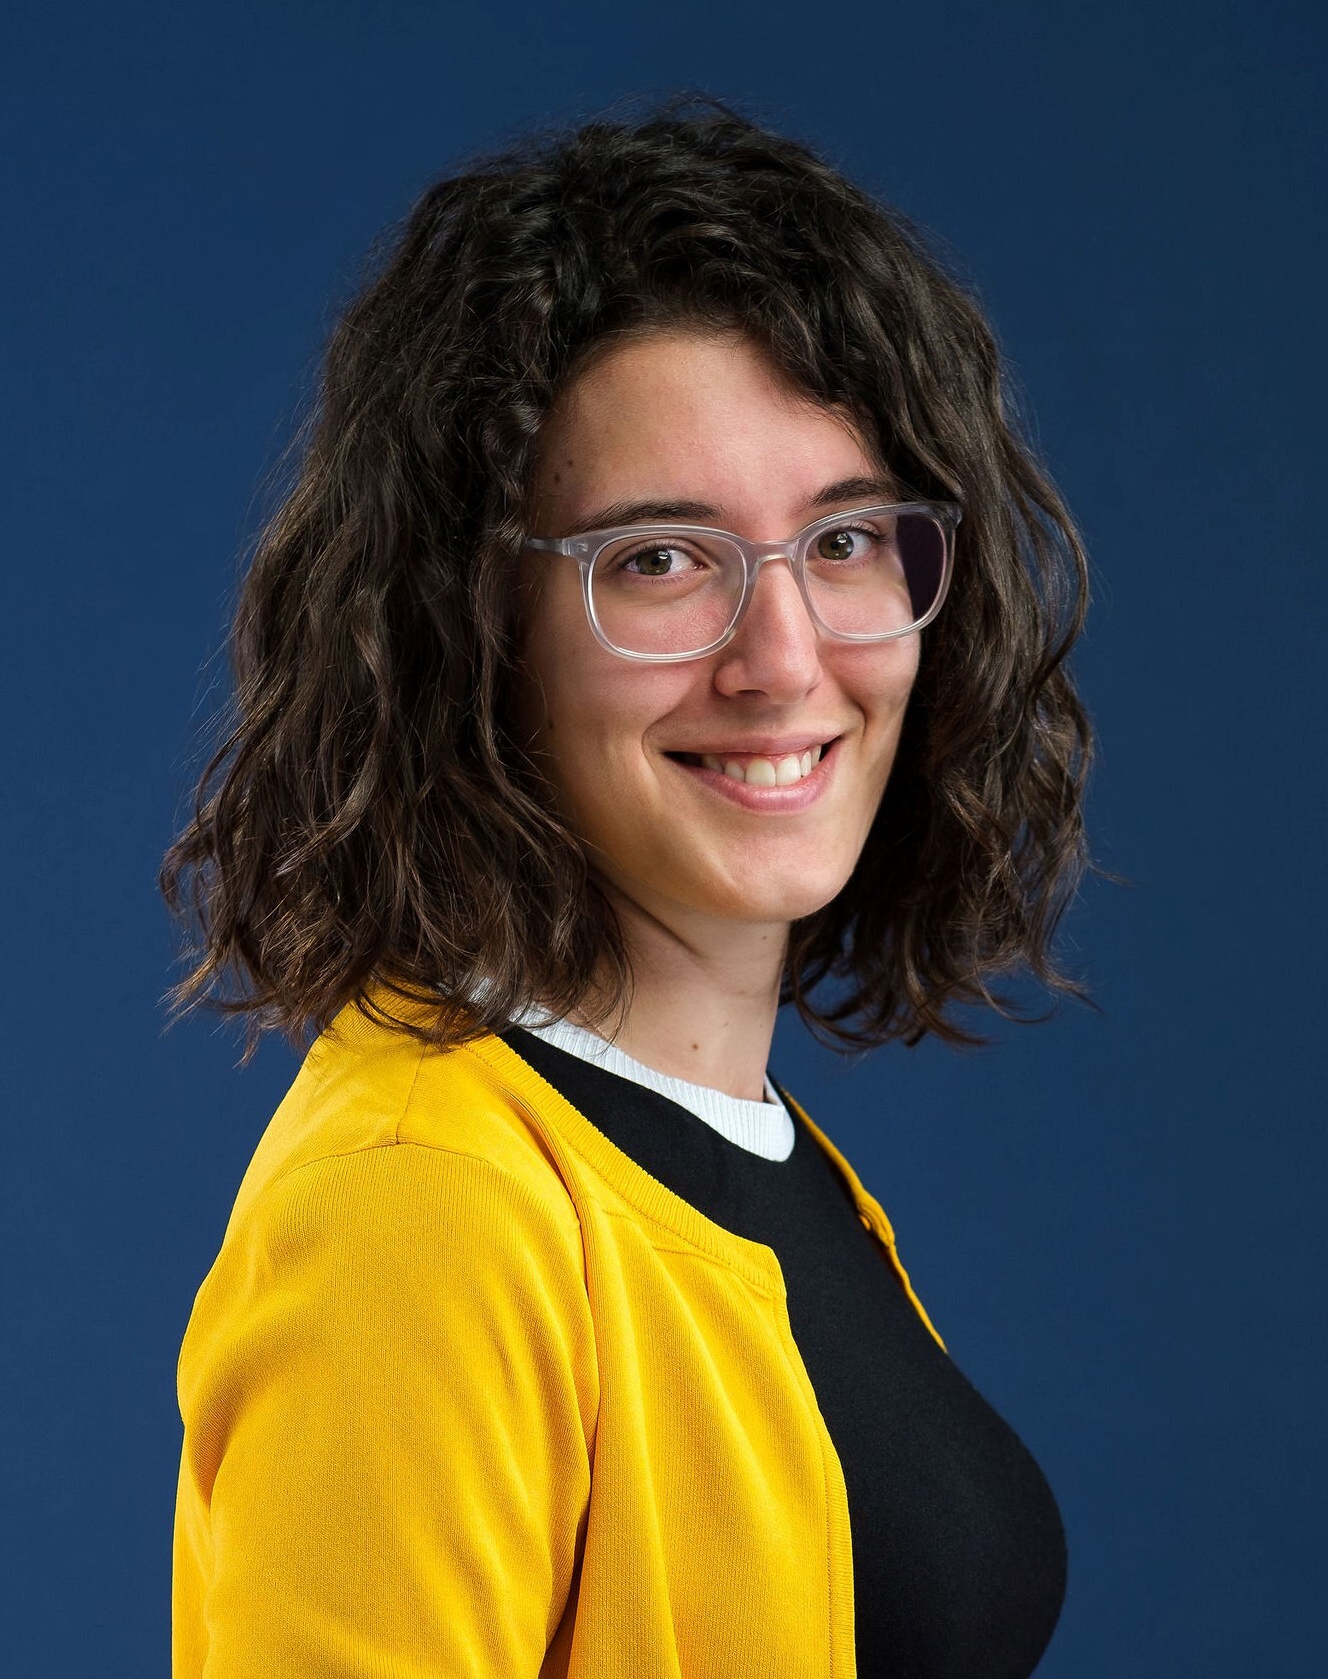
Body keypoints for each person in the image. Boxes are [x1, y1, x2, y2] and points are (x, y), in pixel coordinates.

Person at [161, 98, 1095, 1678]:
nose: (783, 660)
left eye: (845, 540)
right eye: (660, 559)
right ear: (474, 628)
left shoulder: (748, 1160)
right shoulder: (423, 1210)